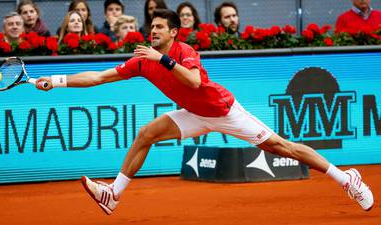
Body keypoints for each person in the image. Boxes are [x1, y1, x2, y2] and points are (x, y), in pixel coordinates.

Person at [35, 9, 374, 215]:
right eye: (150, 28)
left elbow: (195, 82)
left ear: (173, 33)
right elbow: (98, 76)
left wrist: (163, 60)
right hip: (193, 114)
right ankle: (113, 194)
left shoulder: (183, 51)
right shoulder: (143, 59)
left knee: (281, 147)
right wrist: (57, 80)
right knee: (147, 133)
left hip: (223, 111)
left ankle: (346, 179)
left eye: (158, 28)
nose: (152, 32)